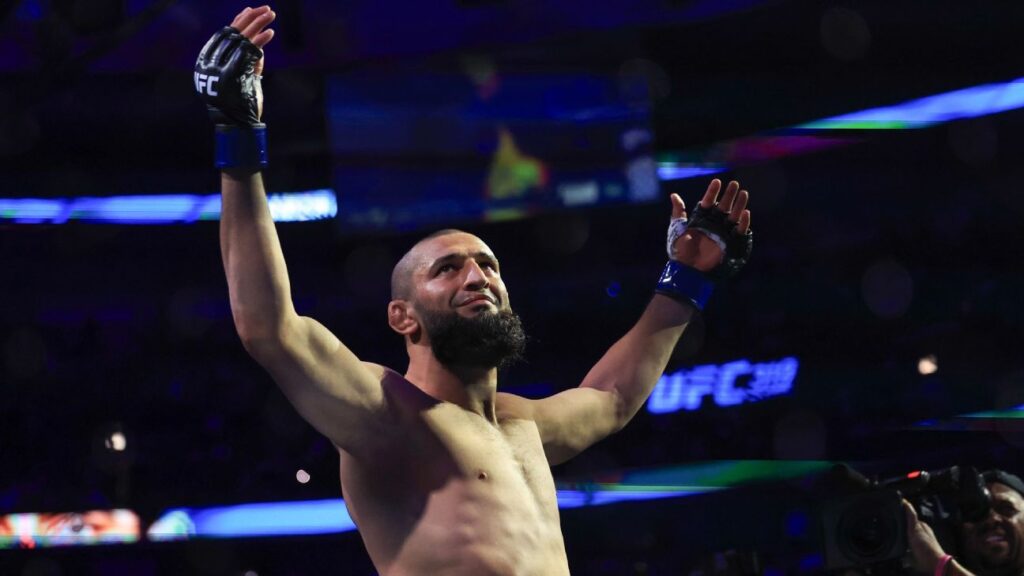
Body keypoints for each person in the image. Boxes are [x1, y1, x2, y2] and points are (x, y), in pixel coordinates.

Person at [194, 6, 753, 575]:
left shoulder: (525, 426)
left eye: (488, 265)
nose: (478, 276)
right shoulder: (386, 416)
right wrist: (239, 140)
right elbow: (270, 329)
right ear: (402, 316)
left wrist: (685, 280)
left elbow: (612, 398)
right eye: (448, 269)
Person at [905, 470, 1024, 576]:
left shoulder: (938, 566)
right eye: (973, 511)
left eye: (1006, 509)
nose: (990, 520)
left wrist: (940, 565)